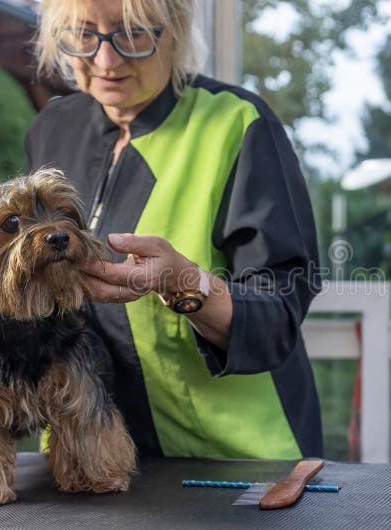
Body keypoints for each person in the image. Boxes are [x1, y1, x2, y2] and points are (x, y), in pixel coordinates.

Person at [25, 0, 323, 460]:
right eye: (85, 34)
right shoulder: (52, 128)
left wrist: (183, 283)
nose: (106, 60)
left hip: (237, 462)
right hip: (89, 455)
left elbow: (276, 319)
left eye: (133, 33)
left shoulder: (238, 124)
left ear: (177, 31)